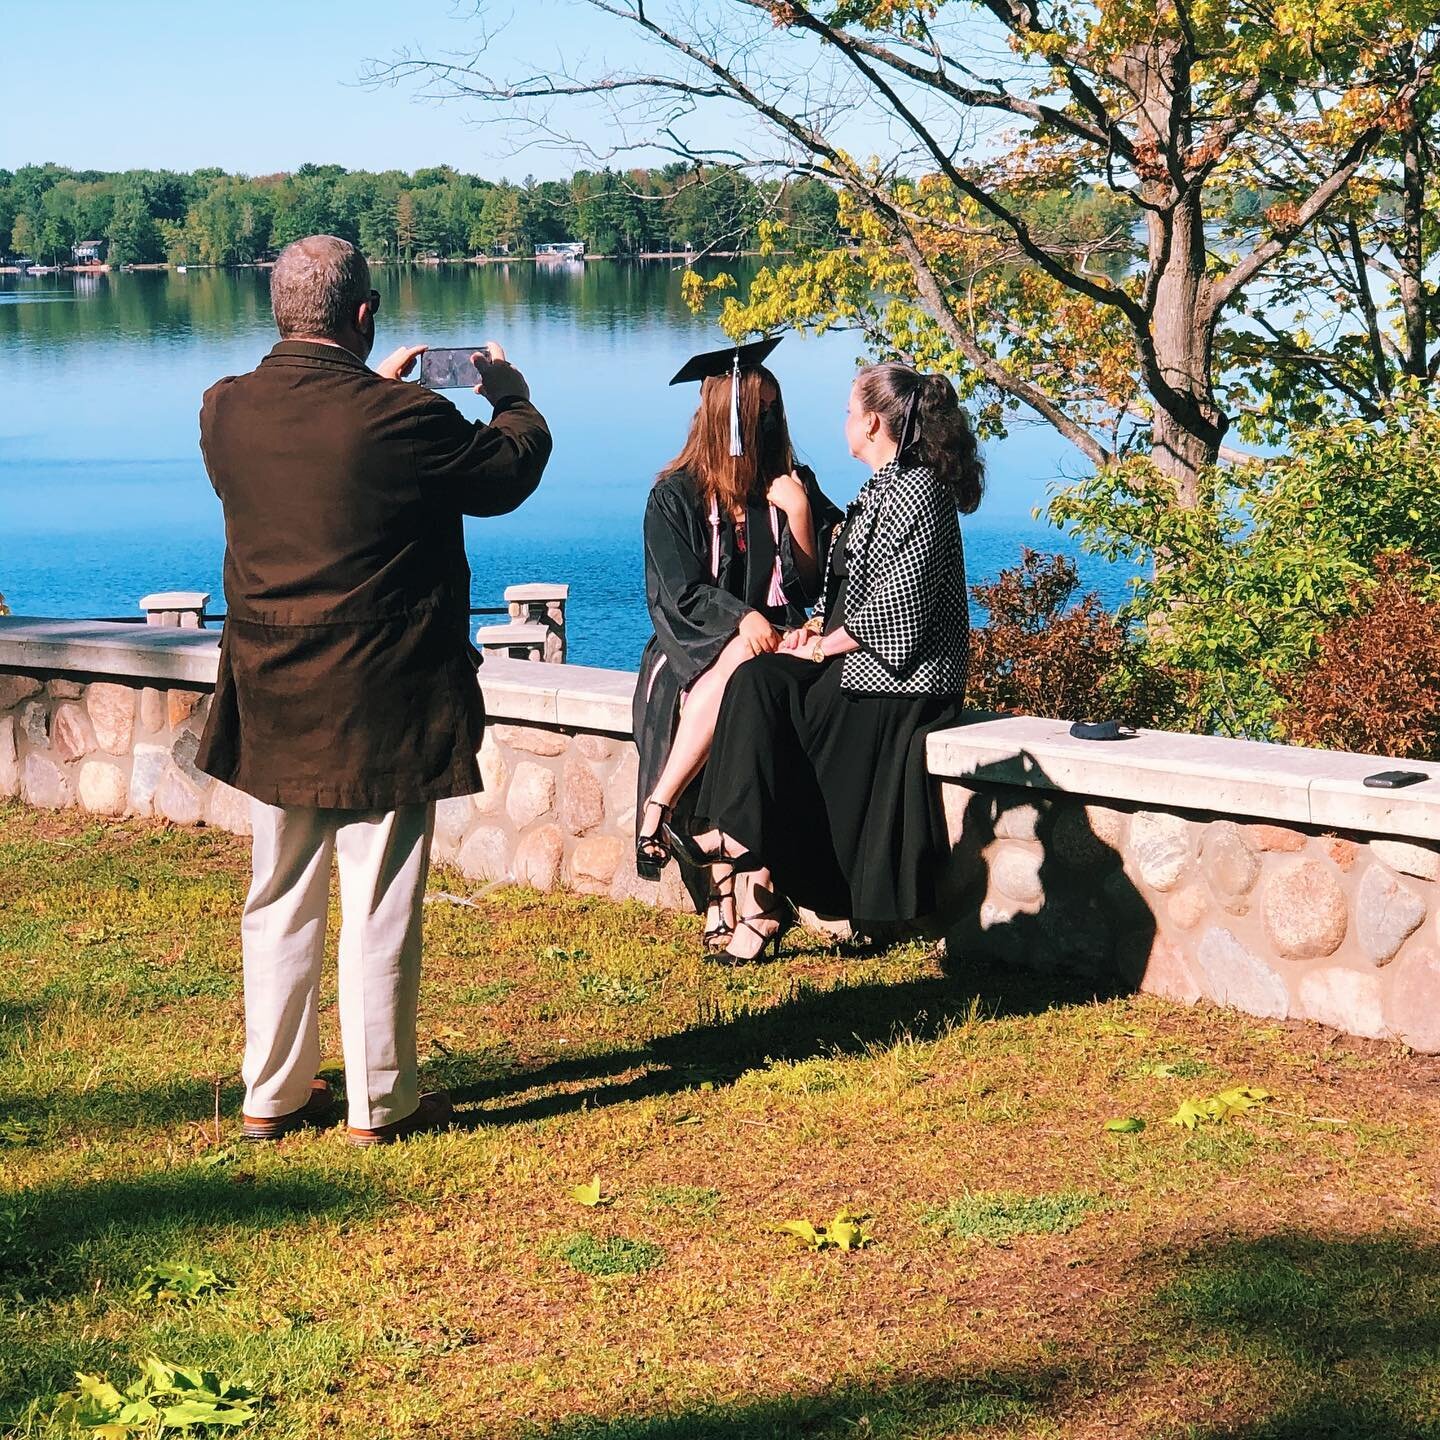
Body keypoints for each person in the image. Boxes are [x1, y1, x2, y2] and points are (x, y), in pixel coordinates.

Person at [196, 234, 551, 1145]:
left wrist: (390, 393)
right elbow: (509, 468)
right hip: (383, 699)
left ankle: (271, 1094)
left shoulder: (224, 412)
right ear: (364, 317)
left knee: (277, 894)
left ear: (279, 313)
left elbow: (323, 461)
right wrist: (506, 393)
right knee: (379, 897)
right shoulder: (401, 420)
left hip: (273, 693)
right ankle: (379, 1102)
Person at [692, 361, 982, 961]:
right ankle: (735, 831)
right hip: (863, 658)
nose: (844, 421)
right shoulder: (882, 486)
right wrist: (813, 628)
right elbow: (846, 585)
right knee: (758, 680)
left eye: (850, 411)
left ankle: (758, 873)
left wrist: (825, 645)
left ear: (873, 423)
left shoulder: (919, 492)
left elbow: (898, 612)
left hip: (904, 678)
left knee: (782, 704)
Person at [633, 337, 841, 952]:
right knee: (733, 675)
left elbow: (824, 579)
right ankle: (736, 894)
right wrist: (741, 619)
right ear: (732, 419)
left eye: (777, 411)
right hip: (691, 646)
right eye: (763, 412)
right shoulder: (674, 495)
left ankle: (662, 812)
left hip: (781, 642)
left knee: (757, 686)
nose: (774, 424)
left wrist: (800, 518)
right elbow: (677, 592)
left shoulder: (793, 482)